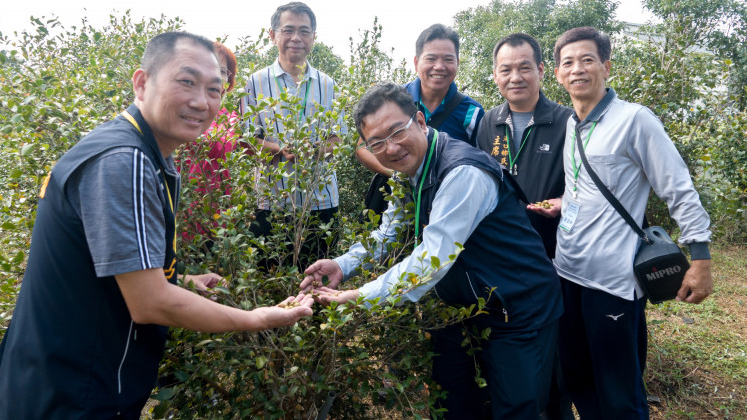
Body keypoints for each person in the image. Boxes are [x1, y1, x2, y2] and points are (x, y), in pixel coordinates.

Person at [0, 32, 313, 420]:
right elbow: (150, 302)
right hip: (70, 393)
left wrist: (183, 280)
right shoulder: (124, 159)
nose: (201, 101)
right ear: (142, 82)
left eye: (214, 89)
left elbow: (106, 270)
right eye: (186, 82)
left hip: (57, 379)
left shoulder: (139, 151)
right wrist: (255, 319)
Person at [300, 83, 563, 419]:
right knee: (452, 404)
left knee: (516, 409)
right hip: (463, 309)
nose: (391, 148)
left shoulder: (462, 172)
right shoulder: (408, 172)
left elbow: (431, 260)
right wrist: (342, 265)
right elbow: (388, 234)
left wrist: (360, 296)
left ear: (420, 121)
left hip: (518, 309)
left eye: (397, 131)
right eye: (377, 143)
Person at [551, 27, 714, 419]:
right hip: (567, 272)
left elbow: (677, 187)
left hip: (613, 283)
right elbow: (584, 184)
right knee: (578, 377)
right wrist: (563, 202)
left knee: (619, 391)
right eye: (568, 62)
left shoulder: (634, 120)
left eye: (588, 60)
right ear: (556, 74)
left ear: (606, 67)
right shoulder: (572, 123)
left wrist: (701, 258)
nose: (577, 69)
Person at [476, 33, 574, 420]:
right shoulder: (488, 123)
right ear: (495, 76)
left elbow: (588, 183)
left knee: (557, 357)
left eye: (524, 67)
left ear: (540, 72)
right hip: (506, 260)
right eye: (506, 69)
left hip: (555, 256)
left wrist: (566, 201)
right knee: (517, 357)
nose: (515, 76)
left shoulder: (566, 121)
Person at [239, 2, 345, 269]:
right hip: (271, 201)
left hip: (320, 202)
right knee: (269, 278)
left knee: (318, 281)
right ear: (273, 35)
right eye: (288, 30)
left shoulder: (328, 84)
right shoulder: (255, 82)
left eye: (304, 31)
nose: (296, 38)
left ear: (313, 38)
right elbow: (246, 141)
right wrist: (278, 150)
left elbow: (337, 140)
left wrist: (316, 149)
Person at [356, 24, 483, 217]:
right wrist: (400, 176)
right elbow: (363, 147)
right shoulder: (394, 100)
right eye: (431, 59)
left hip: (444, 203)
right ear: (416, 63)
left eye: (448, 59)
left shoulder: (471, 111)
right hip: (395, 201)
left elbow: (477, 162)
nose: (439, 67)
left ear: (457, 62)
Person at [182, 42, 240, 246]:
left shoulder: (231, 117)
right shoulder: (184, 109)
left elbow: (229, 152)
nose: (217, 75)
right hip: (187, 201)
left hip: (221, 202)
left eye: (223, 71)